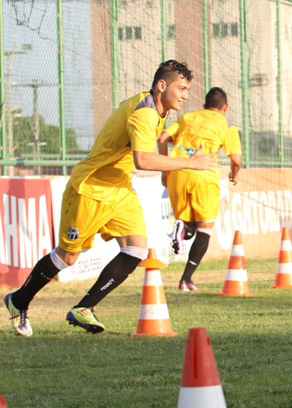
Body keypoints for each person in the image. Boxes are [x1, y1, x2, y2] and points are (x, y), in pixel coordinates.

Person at [3, 60, 217, 336]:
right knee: (68, 257)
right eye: (182, 88)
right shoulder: (144, 113)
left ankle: (84, 307)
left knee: (136, 250)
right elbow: (143, 160)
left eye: (187, 89)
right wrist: (189, 163)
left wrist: (174, 167)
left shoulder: (158, 110)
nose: (186, 95)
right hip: (91, 188)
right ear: (162, 86)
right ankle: (19, 300)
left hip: (119, 189)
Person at [158, 86, 242, 291]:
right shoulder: (227, 124)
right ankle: (186, 279)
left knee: (187, 229)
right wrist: (234, 173)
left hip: (178, 172)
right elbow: (236, 159)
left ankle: (181, 227)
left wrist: (164, 169)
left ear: (204, 105)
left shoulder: (187, 118)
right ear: (225, 107)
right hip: (204, 175)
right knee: (204, 229)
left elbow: (162, 138)